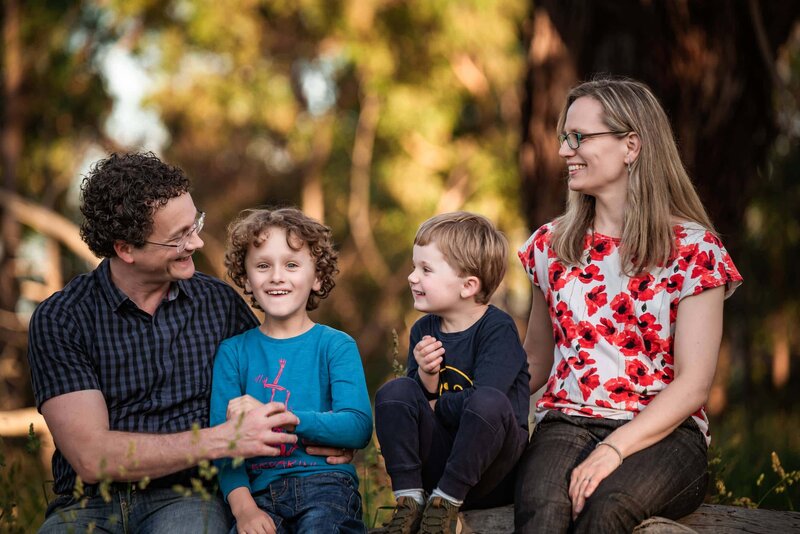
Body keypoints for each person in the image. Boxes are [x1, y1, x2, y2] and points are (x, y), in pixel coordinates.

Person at [28, 152, 348, 533]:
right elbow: (91, 457)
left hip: (187, 497)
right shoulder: (62, 319)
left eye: (194, 223)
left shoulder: (219, 306)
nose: (196, 241)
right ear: (126, 249)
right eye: (178, 236)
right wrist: (221, 440)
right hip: (86, 504)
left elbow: (278, 384)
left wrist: (327, 437)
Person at [513, 76, 743, 533]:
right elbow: (535, 360)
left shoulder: (696, 252)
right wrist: (460, 394)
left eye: (578, 137)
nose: (563, 151)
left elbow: (694, 385)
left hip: (668, 437)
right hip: (566, 422)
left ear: (631, 145)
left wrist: (615, 448)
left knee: (608, 507)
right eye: (564, 137)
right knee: (543, 508)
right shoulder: (551, 244)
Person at [210, 207, 373, 534]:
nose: (276, 276)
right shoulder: (233, 353)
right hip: (259, 495)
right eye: (263, 265)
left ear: (318, 278)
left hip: (327, 488)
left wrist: (285, 418)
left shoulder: (335, 346)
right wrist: (244, 513)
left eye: (292, 265)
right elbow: (223, 447)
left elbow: (357, 425)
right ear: (245, 277)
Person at [375, 212, 531, 534]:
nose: (411, 277)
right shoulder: (424, 329)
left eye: (425, 269)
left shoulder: (497, 329)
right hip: (440, 459)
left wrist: (436, 405)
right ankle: (410, 501)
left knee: (486, 402)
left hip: (490, 469)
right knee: (396, 392)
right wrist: (427, 381)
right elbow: (418, 405)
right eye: (414, 266)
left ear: (468, 285)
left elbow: (487, 404)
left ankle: (446, 501)